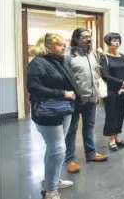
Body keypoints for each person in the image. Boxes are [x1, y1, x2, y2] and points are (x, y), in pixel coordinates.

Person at [27, 33, 80, 199]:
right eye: (59, 44)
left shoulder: (58, 61)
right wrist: (63, 93)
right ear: (46, 45)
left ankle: (51, 180)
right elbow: (33, 87)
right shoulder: (38, 62)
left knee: (55, 149)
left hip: (63, 110)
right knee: (58, 149)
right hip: (48, 112)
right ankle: (50, 190)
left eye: (64, 44)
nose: (63, 47)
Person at [64, 28, 108, 174]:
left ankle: (91, 153)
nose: (88, 39)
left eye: (90, 36)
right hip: (76, 99)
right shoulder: (69, 54)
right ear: (76, 39)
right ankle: (69, 159)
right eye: (84, 37)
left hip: (92, 97)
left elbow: (96, 73)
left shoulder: (92, 53)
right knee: (72, 129)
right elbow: (65, 77)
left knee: (89, 126)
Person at [99, 32, 124, 151]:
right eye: (114, 40)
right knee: (111, 115)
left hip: (122, 91)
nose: (117, 42)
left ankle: (117, 137)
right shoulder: (104, 57)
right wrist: (121, 83)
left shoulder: (122, 56)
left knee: (120, 114)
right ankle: (111, 139)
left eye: (118, 40)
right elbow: (105, 75)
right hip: (111, 91)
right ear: (108, 42)